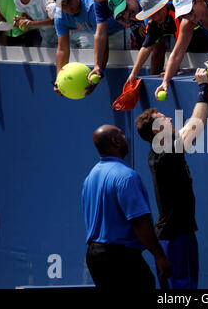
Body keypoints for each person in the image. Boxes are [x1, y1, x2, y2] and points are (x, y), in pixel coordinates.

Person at [135, 68, 208, 289]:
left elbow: (192, 128)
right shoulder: (163, 154)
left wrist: (207, 104)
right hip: (173, 237)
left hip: (181, 233)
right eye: (163, 119)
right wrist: (201, 88)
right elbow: (194, 126)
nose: (170, 117)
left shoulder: (165, 148)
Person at [82, 124, 172, 290]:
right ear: (116, 141)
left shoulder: (90, 177)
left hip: (95, 257)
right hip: (119, 259)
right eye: (122, 135)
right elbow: (139, 221)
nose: (126, 138)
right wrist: (159, 256)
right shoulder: (126, 176)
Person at [77, 0, 151, 95]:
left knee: (156, 43)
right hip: (137, 24)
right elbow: (100, 34)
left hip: (155, 15)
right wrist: (98, 66)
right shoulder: (99, 4)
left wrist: (146, 19)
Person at [51, 0, 123, 94]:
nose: (67, 7)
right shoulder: (59, 13)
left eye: (69, 1)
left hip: (121, 31)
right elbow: (62, 49)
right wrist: (59, 79)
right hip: (99, 35)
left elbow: (103, 40)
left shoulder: (92, 6)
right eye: (62, 5)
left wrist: (98, 73)